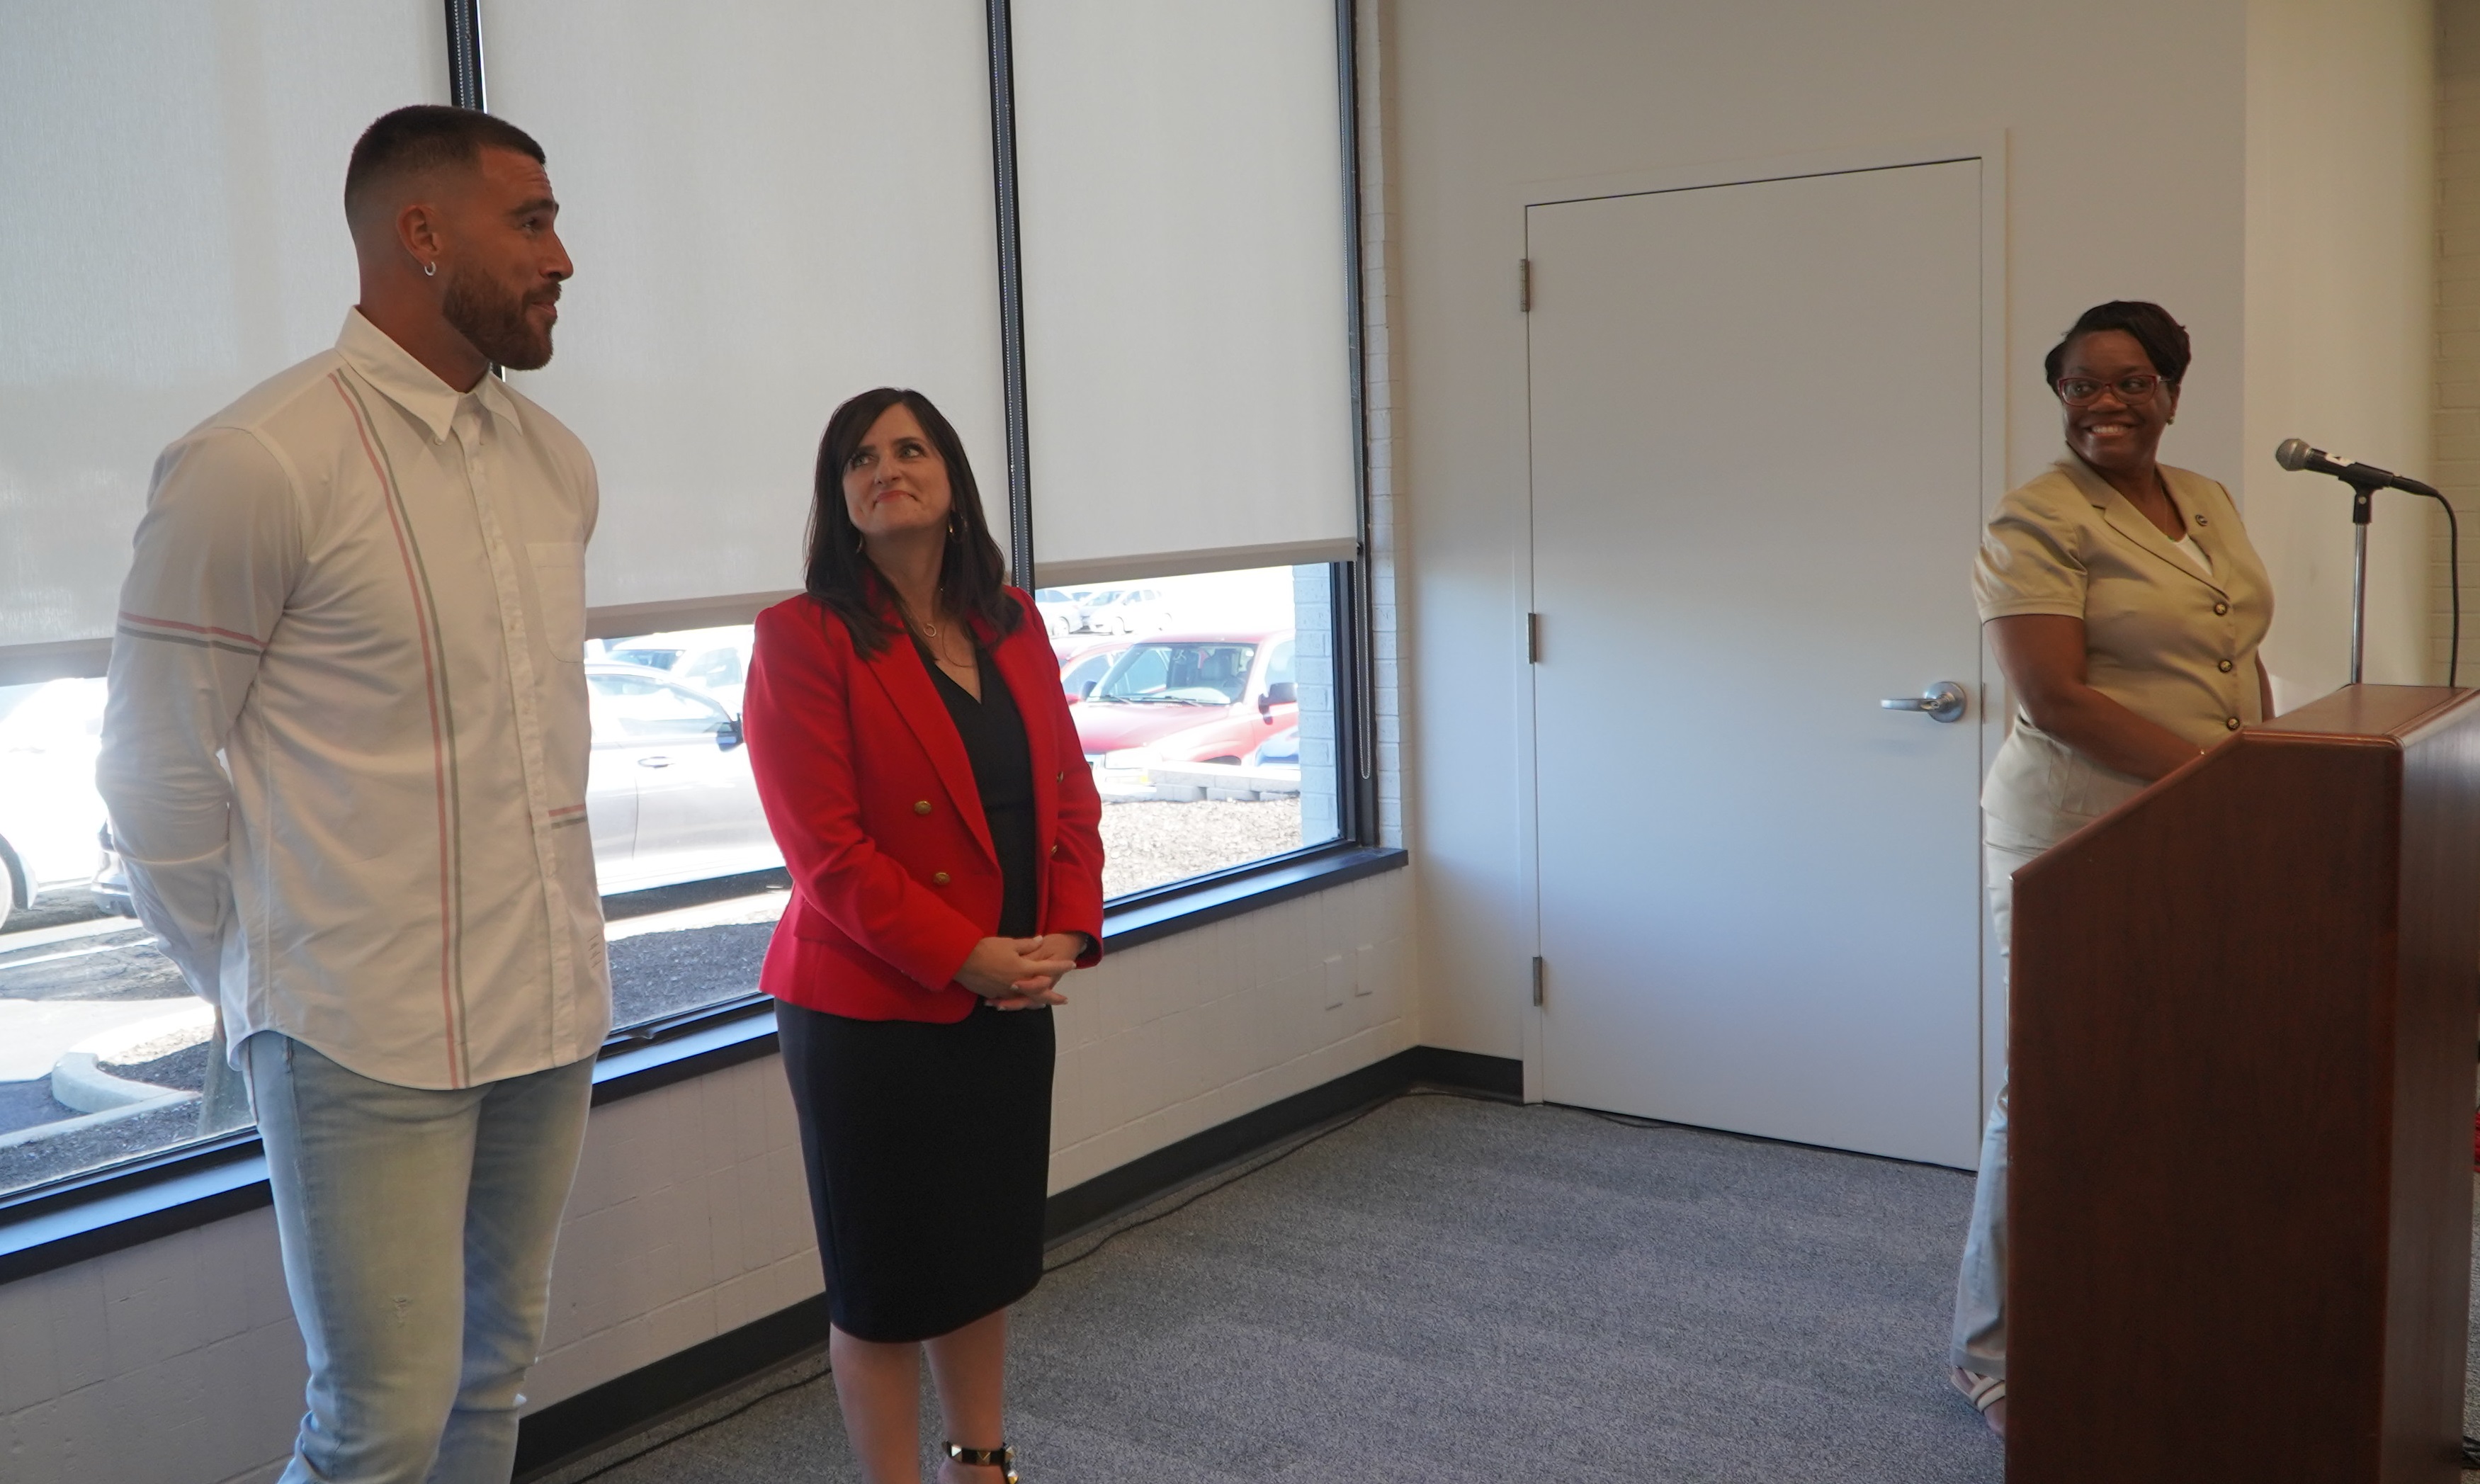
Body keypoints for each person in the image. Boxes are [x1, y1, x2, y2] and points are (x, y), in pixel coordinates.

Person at [96, 105, 604, 1482]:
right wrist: (266, 967)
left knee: (490, 1383)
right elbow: (150, 774)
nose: (563, 258)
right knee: (376, 1421)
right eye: (534, 221)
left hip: (545, 1011)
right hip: (357, 1033)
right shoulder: (255, 463)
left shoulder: (555, 464)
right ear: (421, 236)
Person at [742, 387, 1106, 1484]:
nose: (884, 468)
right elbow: (829, 854)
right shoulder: (800, 638)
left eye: (908, 448)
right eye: (859, 458)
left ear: (951, 480)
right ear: (839, 498)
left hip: (1007, 997)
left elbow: (1069, 796)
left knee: (980, 1261)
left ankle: (979, 1462)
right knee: (888, 1284)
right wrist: (969, 953)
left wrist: (1066, 936)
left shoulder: (1014, 621)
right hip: (871, 1012)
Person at [1947, 301, 2275, 1436]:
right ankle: (1995, 1356)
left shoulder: (2209, 502)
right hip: (2075, 834)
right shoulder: (2031, 520)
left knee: (2172, 1076)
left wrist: (2267, 770)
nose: (2104, 404)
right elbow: (2057, 698)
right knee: (2048, 1090)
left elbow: (2236, 649)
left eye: (2130, 382)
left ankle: (2140, 1302)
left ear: (2171, 391)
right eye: (2081, 384)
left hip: (2195, 823)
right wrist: (2226, 783)